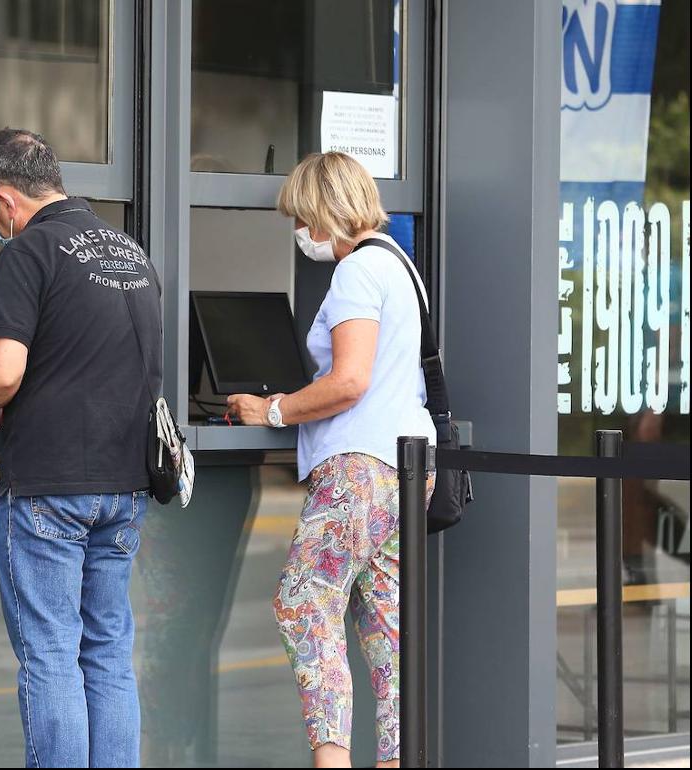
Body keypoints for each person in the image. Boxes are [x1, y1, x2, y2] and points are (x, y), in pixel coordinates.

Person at [0, 128, 161, 768]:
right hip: (124, 487)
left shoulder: (30, 252)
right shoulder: (130, 252)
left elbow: (4, 373)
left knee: (49, 656)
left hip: (49, 488)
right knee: (107, 654)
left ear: (7, 201)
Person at [226, 151, 435, 769]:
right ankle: (397, 759)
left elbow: (348, 381)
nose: (301, 233)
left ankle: (332, 763)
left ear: (324, 213)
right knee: (386, 625)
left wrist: (273, 410)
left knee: (303, 602)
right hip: (408, 466)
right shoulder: (403, 268)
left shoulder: (356, 273)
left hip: (359, 467)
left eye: (302, 218)